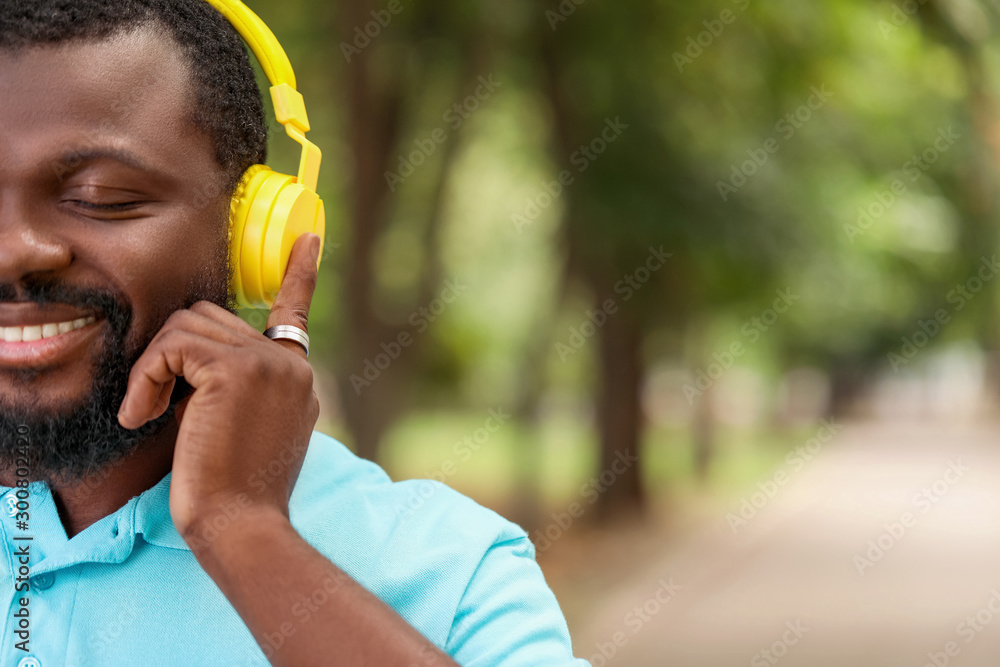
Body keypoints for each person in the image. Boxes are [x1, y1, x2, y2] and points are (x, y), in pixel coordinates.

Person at [0, 1, 590, 665]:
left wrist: (245, 532)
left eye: (102, 195)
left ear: (257, 235)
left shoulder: (450, 573)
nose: (14, 249)